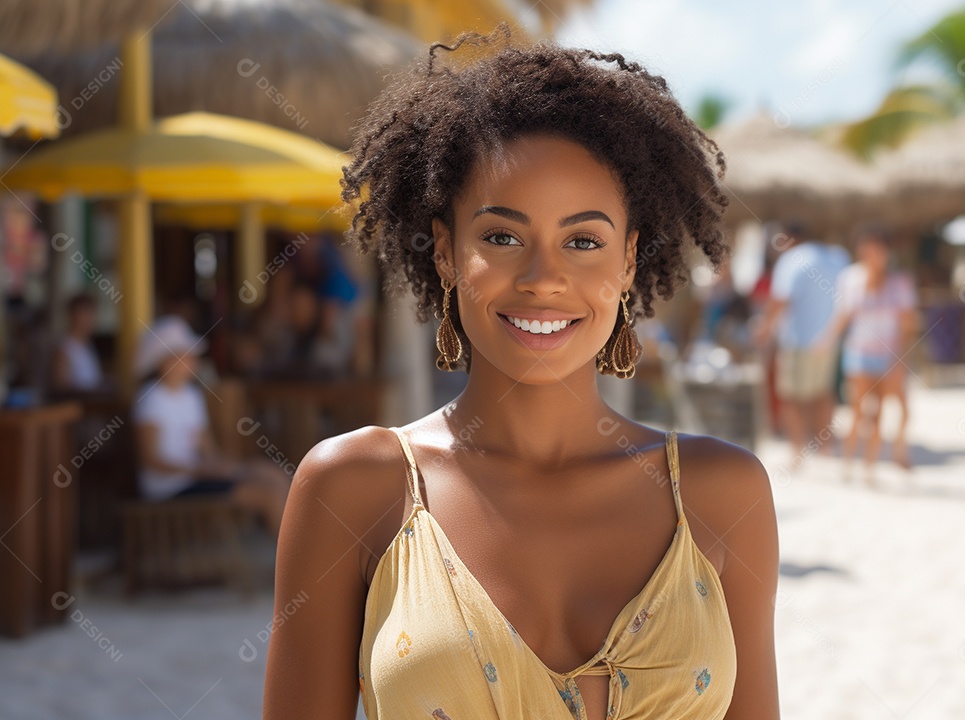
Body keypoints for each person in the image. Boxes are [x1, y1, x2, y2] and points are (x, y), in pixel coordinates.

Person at [264, 32, 780, 720]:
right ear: (446, 252)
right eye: (502, 237)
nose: (544, 278)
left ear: (628, 261)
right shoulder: (353, 488)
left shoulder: (724, 493)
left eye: (583, 241)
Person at [132, 315, 290, 538]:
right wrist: (200, 470)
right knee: (268, 495)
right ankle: (292, 557)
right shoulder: (151, 398)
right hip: (169, 486)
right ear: (165, 360)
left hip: (197, 475)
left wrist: (226, 467)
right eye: (184, 354)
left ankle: (300, 550)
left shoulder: (191, 396)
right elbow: (151, 460)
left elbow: (207, 448)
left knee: (275, 475)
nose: (191, 360)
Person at [819, 225, 917, 482]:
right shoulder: (851, 278)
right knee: (859, 410)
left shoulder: (899, 283)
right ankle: (848, 463)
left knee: (879, 413)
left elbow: (907, 325)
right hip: (858, 353)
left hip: (888, 355)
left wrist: (901, 359)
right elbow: (843, 315)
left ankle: (869, 466)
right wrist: (827, 340)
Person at [754, 223, 850, 467]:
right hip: (828, 340)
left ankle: (796, 451)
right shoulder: (835, 257)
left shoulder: (791, 261)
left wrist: (764, 329)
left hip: (797, 341)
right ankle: (825, 448)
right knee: (823, 393)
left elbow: (780, 301)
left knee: (791, 397)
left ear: (789, 238)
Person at [51, 292, 106, 394]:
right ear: (73, 315)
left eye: (92, 314)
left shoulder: (88, 346)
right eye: (85, 314)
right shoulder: (64, 349)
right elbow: (60, 388)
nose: (90, 319)